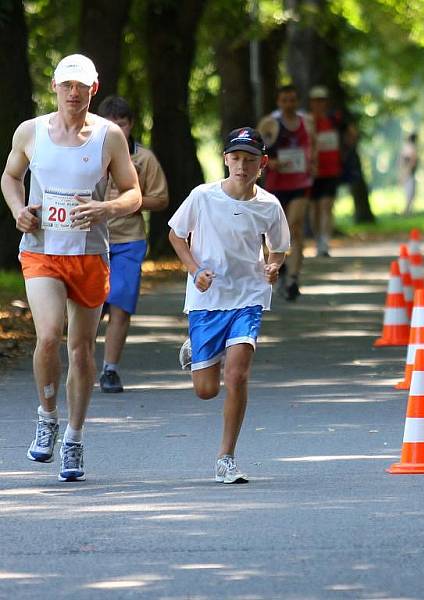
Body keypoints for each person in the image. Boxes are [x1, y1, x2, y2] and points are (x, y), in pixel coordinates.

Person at [1, 54, 142, 481]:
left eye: (81, 86)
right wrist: (17, 209)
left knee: (80, 350)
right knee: (47, 337)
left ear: (93, 89)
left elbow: (134, 193)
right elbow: (9, 177)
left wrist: (105, 207)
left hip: (89, 256)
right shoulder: (31, 132)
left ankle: (75, 439)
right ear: (55, 87)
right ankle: (47, 416)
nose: (74, 93)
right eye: (67, 85)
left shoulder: (108, 136)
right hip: (42, 251)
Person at [168, 127, 289, 483]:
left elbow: (278, 246)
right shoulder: (203, 196)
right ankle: (196, 347)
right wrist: (194, 270)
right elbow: (176, 234)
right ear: (225, 160)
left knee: (237, 374)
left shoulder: (269, 205)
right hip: (208, 299)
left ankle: (226, 458)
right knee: (207, 390)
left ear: (262, 164)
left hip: (248, 297)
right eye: (236, 159)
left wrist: (273, 266)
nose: (242, 166)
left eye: (250, 160)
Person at [96, 95, 169, 393]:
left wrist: (131, 203)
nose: (117, 130)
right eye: (110, 124)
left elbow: (162, 199)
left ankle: (110, 369)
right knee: (87, 307)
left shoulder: (143, 158)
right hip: (91, 241)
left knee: (120, 306)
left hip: (128, 241)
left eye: (122, 124)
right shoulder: (85, 154)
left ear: (131, 125)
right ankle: (81, 363)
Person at [257, 84, 314, 301]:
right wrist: (269, 163)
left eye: (292, 100)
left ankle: (293, 277)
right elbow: (256, 149)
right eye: (285, 100)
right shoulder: (270, 123)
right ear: (279, 102)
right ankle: (276, 272)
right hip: (276, 185)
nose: (289, 104)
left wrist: (313, 163)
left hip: (300, 183)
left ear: (297, 101)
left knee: (295, 227)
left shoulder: (306, 123)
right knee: (273, 233)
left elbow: (313, 146)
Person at [308, 85, 343, 258]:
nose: (319, 104)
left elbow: (349, 134)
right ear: (311, 103)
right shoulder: (307, 121)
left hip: (331, 171)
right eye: (316, 101)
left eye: (322, 100)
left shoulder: (334, 120)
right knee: (314, 209)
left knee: (326, 206)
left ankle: (324, 242)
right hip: (313, 173)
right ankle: (317, 239)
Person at [399, 132, 419, 215]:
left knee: (409, 192)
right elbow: (411, 161)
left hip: (407, 172)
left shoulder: (406, 148)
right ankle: (407, 210)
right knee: (410, 192)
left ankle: (407, 210)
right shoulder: (411, 148)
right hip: (409, 173)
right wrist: (407, 172)